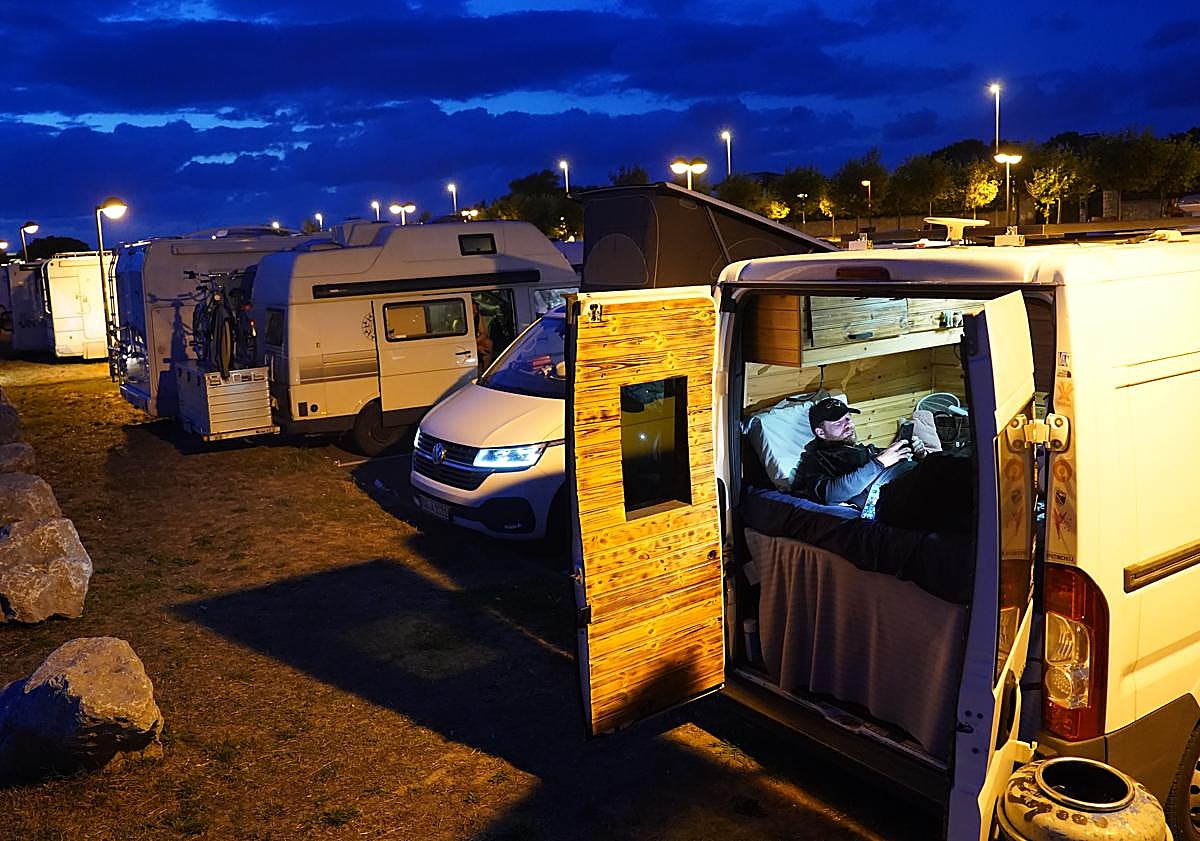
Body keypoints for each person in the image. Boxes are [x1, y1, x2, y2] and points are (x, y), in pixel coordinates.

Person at [792, 397, 925, 512]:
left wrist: (919, 454)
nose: (848, 425)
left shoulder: (862, 450)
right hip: (898, 495)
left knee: (939, 463)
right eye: (839, 423)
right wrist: (879, 463)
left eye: (848, 418)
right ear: (821, 432)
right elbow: (831, 494)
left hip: (915, 479)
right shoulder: (817, 460)